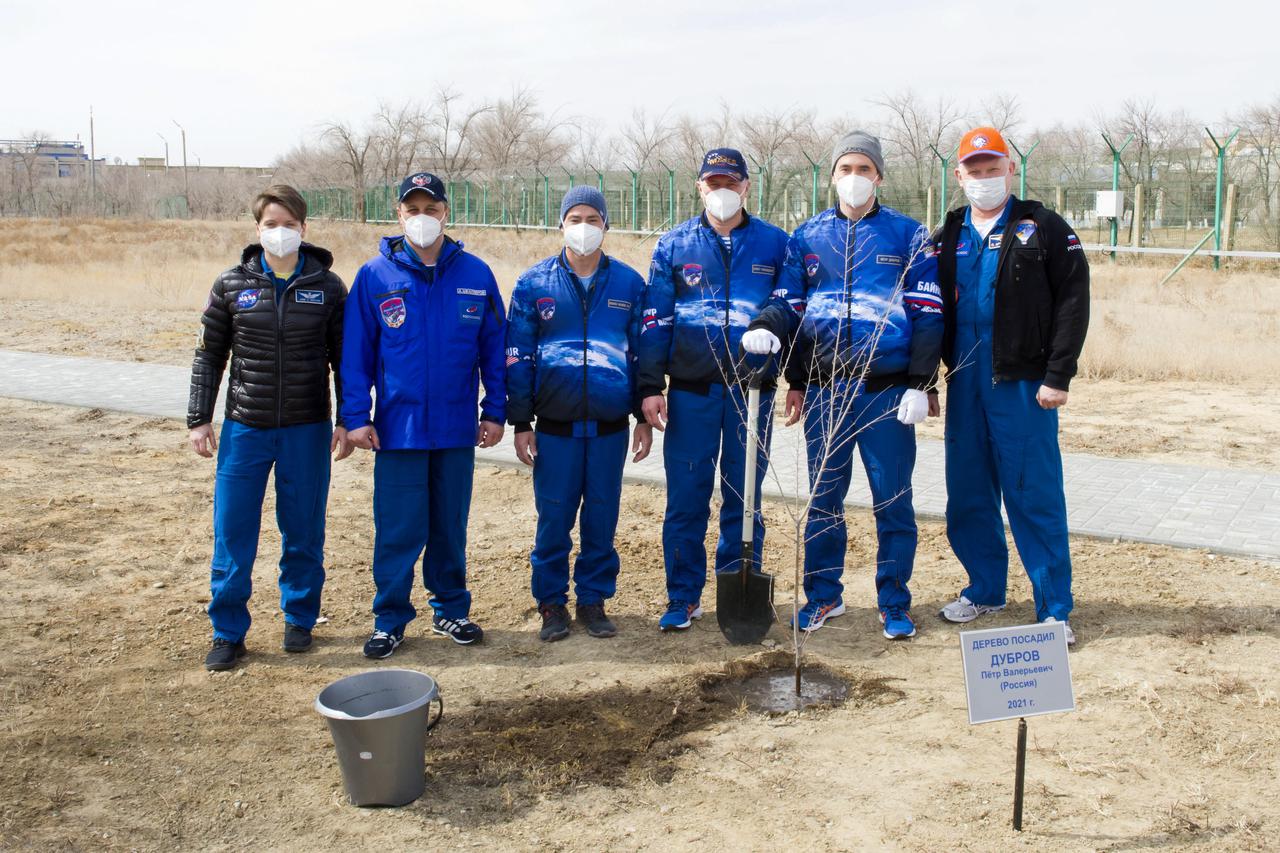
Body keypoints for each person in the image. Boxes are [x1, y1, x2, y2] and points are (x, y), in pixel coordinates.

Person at [748, 131, 942, 640]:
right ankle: (823, 596)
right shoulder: (807, 237)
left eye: (864, 169)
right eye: (845, 169)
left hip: (886, 393)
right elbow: (791, 302)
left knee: (892, 500)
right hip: (825, 393)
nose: (854, 178)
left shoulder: (909, 235)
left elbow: (928, 316)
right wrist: (773, 334)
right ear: (832, 176)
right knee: (824, 498)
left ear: (878, 175)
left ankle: (894, 600)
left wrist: (921, 384)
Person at [341, 172, 506, 659]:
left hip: (456, 430)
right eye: (412, 210)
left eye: (430, 210)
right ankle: (390, 618)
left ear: (445, 213)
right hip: (398, 430)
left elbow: (494, 350)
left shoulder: (475, 274)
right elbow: (356, 355)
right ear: (399, 215)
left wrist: (495, 411)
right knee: (398, 528)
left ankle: (451, 608)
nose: (422, 219)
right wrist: (355, 415)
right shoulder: (375, 276)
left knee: (449, 526)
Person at [934, 127, 1089, 645]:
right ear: (959, 177)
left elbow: (1072, 300)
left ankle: (1053, 609)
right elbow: (927, 309)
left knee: (1033, 493)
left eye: (992, 168)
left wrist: (1058, 375)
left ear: (1010, 169)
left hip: (1022, 384)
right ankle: (984, 589)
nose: (983, 179)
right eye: (973, 171)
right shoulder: (948, 234)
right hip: (964, 380)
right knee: (969, 492)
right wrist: (923, 381)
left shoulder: (1042, 227)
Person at [187, 184, 348, 671]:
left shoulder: (329, 287)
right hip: (245, 428)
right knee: (233, 531)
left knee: (302, 528)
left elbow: (346, 361)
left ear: (304, 227)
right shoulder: (231, 284)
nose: (281, 232)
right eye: (271, 224)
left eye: (290, 224)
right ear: (257, 229)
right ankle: (227, 629)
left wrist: (349, 420)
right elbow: (208, 355)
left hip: (307, 427)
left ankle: (299, 618)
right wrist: (199, 418)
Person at [636, 147, 790, 632]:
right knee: (686, 496)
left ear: (746, 186)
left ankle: (736, 587)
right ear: (699, 187)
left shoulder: (774, 243)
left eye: (731, 182)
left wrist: (771, 329)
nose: (722, 191)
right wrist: (649, 386)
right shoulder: (674, 245)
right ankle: (683, 596)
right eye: (712, 182)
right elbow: (655, 319)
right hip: (690, 392)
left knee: (744, 496)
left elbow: (790, 304)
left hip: (751, 393)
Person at [506, 187, 653, 641]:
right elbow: (518, 355)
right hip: (554, 430)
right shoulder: (534, 285)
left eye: (593, 217)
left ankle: (593, 599)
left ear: (606, 225)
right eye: (575, 217)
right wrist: (521, 421)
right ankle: (551, 602)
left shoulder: (629, 285)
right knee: (554, 517)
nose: (584, 226)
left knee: (601, 517)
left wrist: (643, 416)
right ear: (561, 225)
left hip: (610, 428)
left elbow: (641, 356)